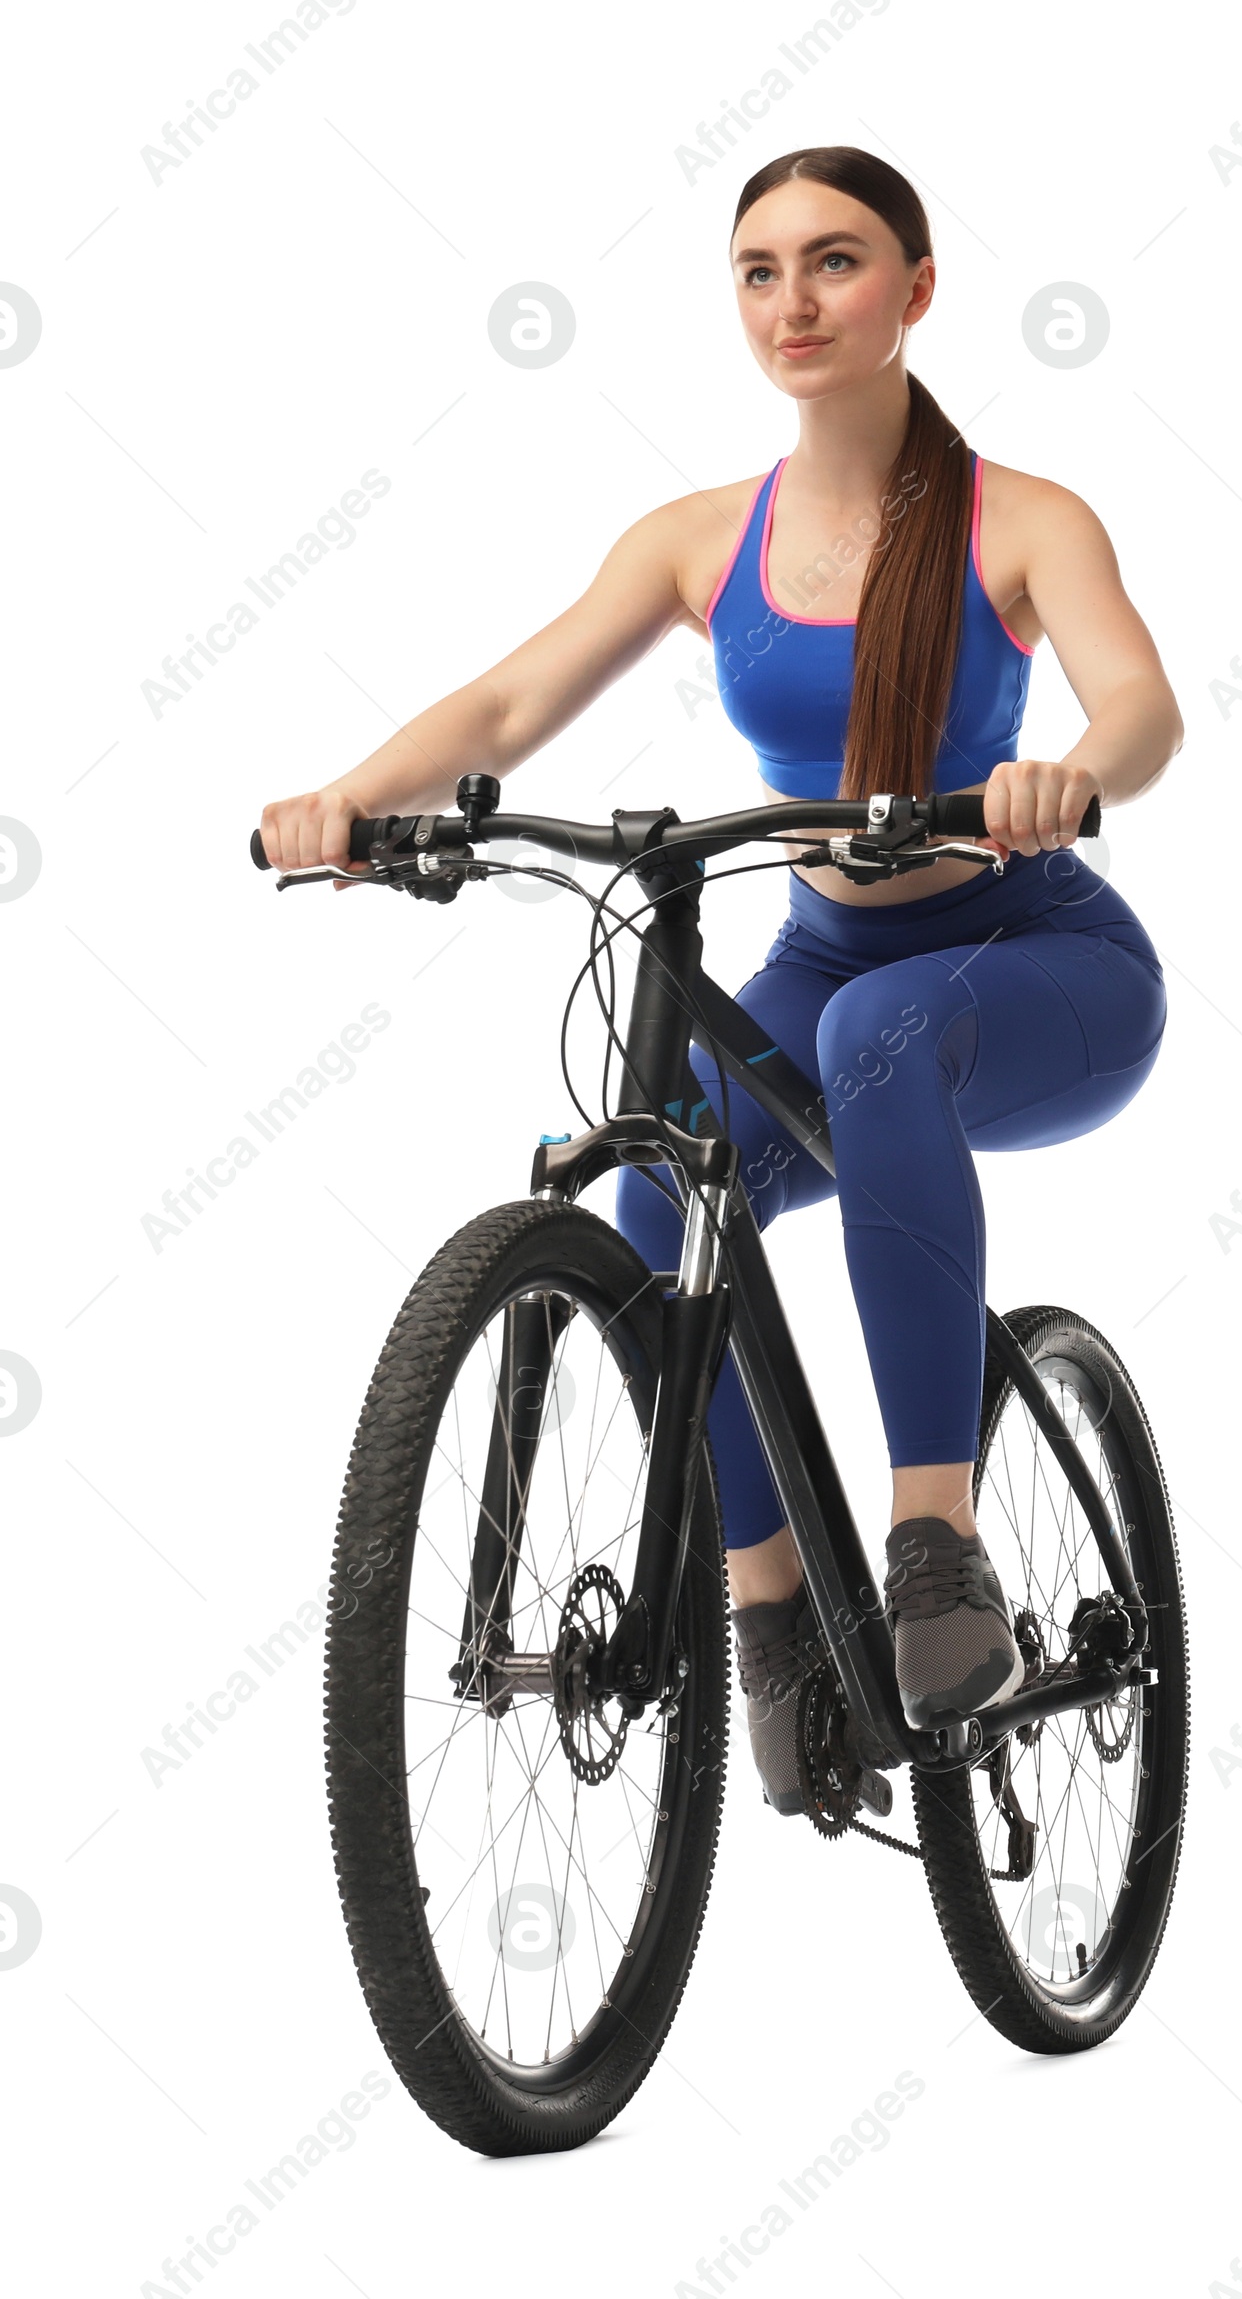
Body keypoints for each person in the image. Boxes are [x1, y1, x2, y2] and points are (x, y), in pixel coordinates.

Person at [258, 144, 1182, 1818]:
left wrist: (1071, 766)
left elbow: (1142, 706)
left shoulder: (1022, 524)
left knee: (873, 1030)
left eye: (834, 262)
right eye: (760, 270)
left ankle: (934, 1541)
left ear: (916, 289)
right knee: (658, 1185)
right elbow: (506, 709)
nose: (794, 301)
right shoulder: (701, 542)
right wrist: (353, 804)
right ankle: (771, 1617)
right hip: (822, 961)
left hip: (1035, 960)